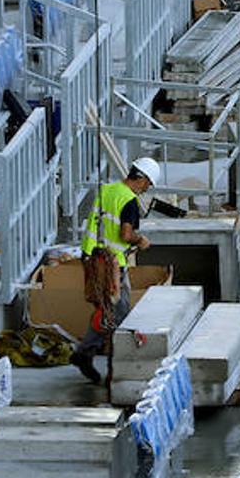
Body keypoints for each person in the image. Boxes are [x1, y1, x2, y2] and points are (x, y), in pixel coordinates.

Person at [71, 158, 161, 384]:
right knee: (118, 314)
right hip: (112, 264)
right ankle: (106, 364)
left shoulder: (108, 189)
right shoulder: (129, 201)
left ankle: (85, 354)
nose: (146, 189)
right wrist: (140, 241)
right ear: (141, 179)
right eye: (148, 184)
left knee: (104, 308)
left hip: (91, 256)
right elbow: (125, 234)